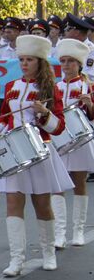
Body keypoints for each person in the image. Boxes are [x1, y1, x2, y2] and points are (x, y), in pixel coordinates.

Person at [0, 35, 73, 276]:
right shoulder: (11, 87)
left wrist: (45, 113)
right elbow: (5, 117)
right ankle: (17, 259)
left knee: (42, 204)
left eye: (29, 60)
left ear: (40, 62)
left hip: (40, 149)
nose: (24, 64)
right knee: (13, 202)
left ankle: (48, 253)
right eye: (22, 59)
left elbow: (58, 128)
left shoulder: (50, 90)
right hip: (14, 151)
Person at [50, 39, 94, 248]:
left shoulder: (88, 86)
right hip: (58, 140)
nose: (66, 65)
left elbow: (92, 117)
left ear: (79, 64)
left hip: (80, 140)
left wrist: (89, 104)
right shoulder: (54, 87)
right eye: (63, 61)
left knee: (79, 183)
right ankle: (59, 233)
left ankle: (78, 231)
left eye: (70, 61)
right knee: (57, 185)